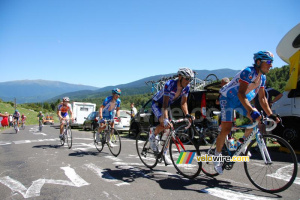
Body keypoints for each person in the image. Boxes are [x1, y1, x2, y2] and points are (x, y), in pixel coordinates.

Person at [214, 51, 280, 175]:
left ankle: (242, 143)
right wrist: (250, 110)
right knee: (226, 129)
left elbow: (262, 98)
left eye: (272, 62)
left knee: (258, 118)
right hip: (228, 98)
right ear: (259, 62)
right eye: (269, 62)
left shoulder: (262, 78)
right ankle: (217, 157)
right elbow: (240, 93)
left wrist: (271, 114)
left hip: (241, 101)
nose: (271, 65)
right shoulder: (248, 72)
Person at [150, 68, 194, 165]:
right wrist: (165, 119)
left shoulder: (187, 87)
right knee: (164, 123)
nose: (188, 81)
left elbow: (183, 102)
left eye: (190, 79)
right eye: (187, 79)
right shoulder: (169, 85)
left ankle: (164, 154)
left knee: (170, 128)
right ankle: (152, 136)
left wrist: (187, 115)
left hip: (167, 105)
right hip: (158, 103)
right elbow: (164, 104)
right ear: (180, 77)